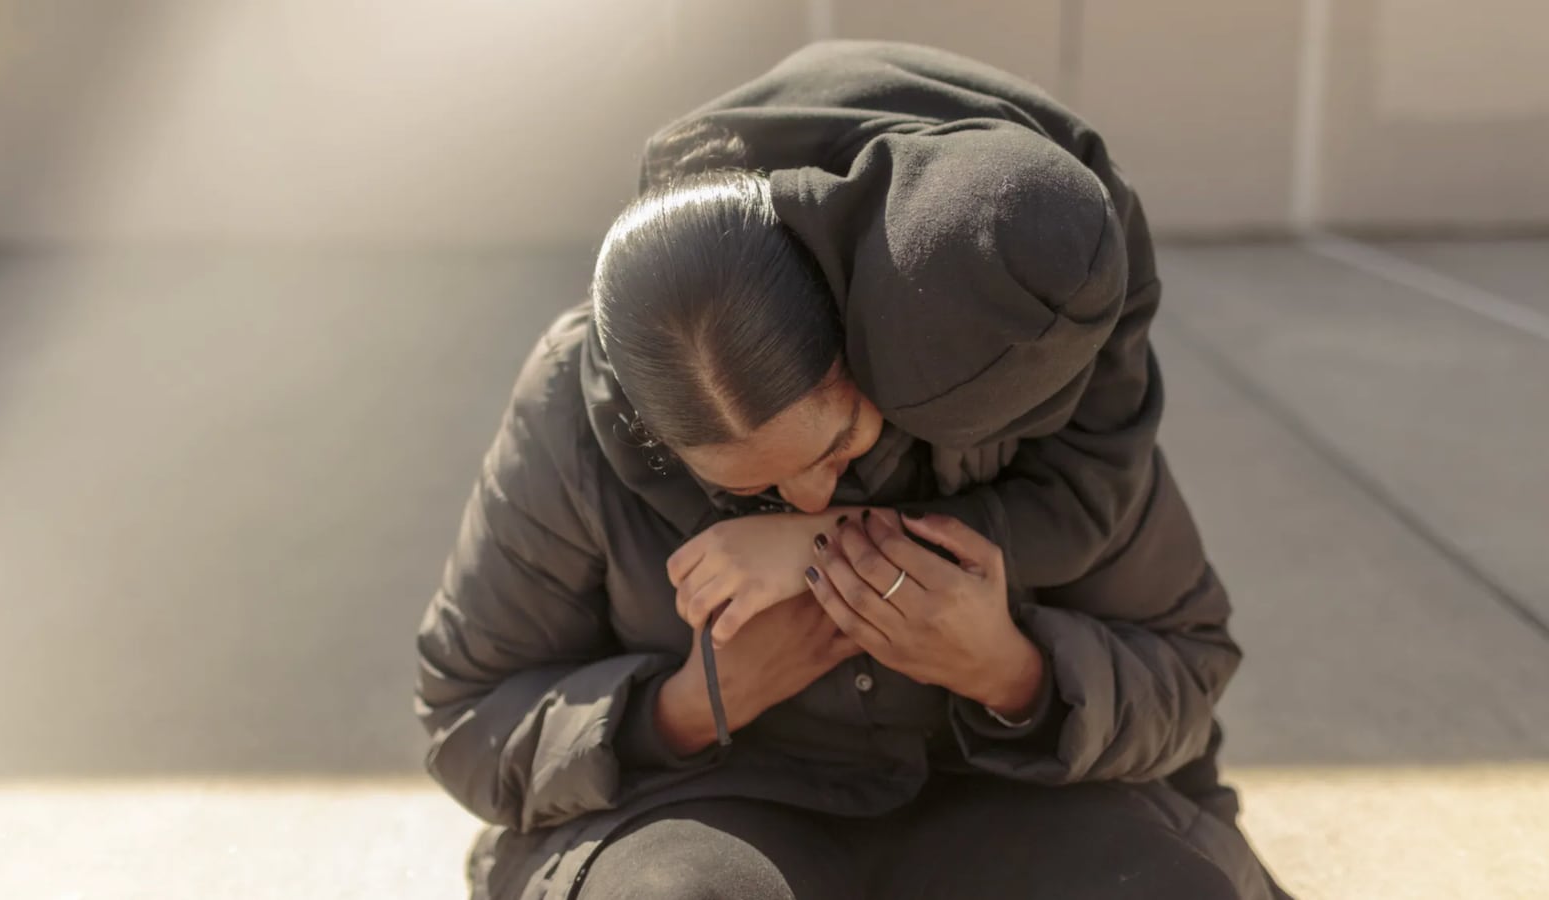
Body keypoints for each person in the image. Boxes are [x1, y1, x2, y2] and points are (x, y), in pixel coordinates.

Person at [415, 41, 1291, 900]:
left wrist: (1011, 672)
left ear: (866, 334)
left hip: (1010, 799)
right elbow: (467, 716)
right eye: (746, 484)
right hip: (706, 810)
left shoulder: (992, 368)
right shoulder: (572, 406)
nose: (810, 499)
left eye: (837, 447)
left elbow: (1188, 666)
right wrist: (688, 705)